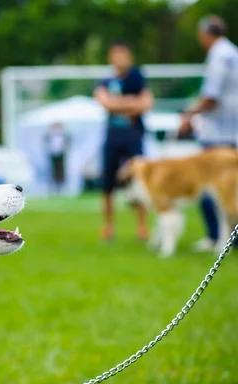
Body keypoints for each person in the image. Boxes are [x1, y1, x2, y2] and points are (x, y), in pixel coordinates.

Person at [179, 15, 238, 252]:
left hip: (220, 135)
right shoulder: (233, 51)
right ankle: (229, 239)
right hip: (233, 133)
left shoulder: (218, 55)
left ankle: (215, 237)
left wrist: (189, 114)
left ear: (205, 34)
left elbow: (211, 95)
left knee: (206, 186)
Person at [93, 41, 154, 241]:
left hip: (133, 136)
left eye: (123, 55)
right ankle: (108, 227)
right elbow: (104, 102)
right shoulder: (105, 81)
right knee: (107, 184)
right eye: (115, 55)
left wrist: (117, 103)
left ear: (130, 57)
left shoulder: (138, 78)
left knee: (139, 180)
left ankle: (142, 226)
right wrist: (129, 103)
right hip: (112, 136)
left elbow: (145, 104)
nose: (119, 59)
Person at [44, 122, 71, 194]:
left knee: (61, 170)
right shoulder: (49, 135)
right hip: (52, 154)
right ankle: (53, 186)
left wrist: (63, 148)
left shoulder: (64, 135)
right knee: (52, 170)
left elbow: (68, 142)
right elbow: (46, 142)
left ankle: (60, 186)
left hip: (61, 155)